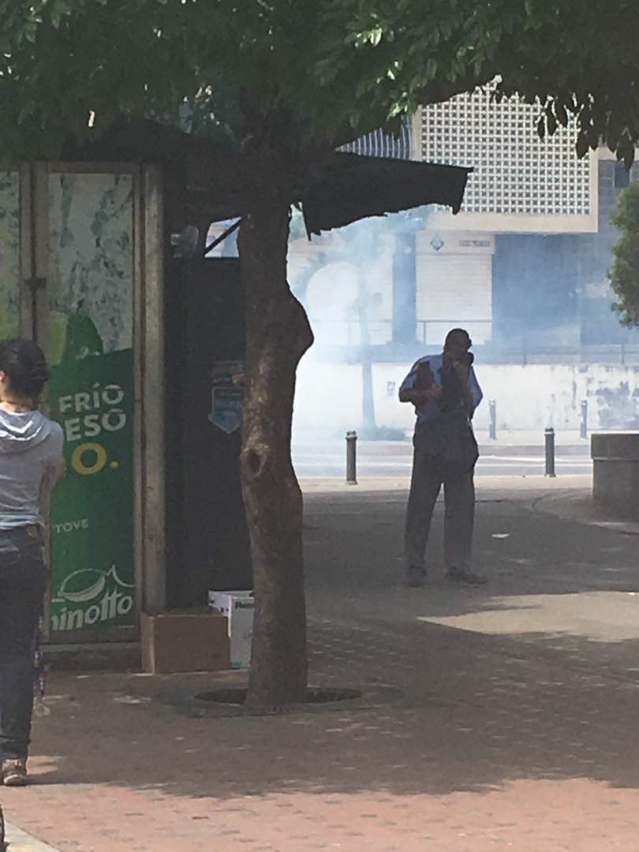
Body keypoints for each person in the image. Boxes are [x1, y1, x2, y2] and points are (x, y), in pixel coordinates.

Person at [0, 339, 64, 787]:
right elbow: (48, 489)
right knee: (17, 655)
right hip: (24, 547)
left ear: (2, 378)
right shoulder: (53, 433)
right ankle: (12, 757)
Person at [399, 328, 485, 587]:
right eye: (459, 347)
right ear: (448, 345)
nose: (462, 352)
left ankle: (458, 565)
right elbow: (404, 393)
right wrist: (425, 395)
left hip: (458, 438)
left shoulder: (466, 371)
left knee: (461, 506)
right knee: (421, 504)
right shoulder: (427, 364)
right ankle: (415, 566)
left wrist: (461, 378)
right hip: (431, 436)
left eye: (465, 347)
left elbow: (471, 406)